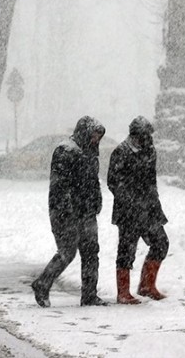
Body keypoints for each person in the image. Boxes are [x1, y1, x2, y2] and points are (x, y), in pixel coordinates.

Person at [31, 116, 109, 307]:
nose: (96, 140)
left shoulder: (90, 153)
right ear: (85, 133)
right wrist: (66, 211)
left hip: (87, 212)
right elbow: (59, 186)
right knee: (67, 252)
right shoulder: (65, 151)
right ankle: (42, 284)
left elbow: (92, 182)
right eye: (94, 135)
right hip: (67, 213)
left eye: (99, 137)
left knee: (91, 252)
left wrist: (96, 201)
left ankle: (89, 295)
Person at [107, 116, 169, 304]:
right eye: (144, 135)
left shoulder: (150, 150)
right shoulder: (121, 152)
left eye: (149, 135)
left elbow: (151, 180)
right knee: (126, 250)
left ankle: (147, 285)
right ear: (135, 134)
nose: (148, 138)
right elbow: (113, 182)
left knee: (161, 243)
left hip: (149, 209)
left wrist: (154, 204)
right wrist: (131, 202)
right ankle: (123, 293)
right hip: (128, 212)